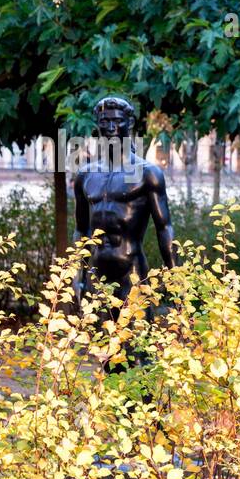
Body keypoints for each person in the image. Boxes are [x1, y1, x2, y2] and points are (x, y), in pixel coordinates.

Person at [73, 96, 175, 317]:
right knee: (98, 347)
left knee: (137, 347)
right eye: (104, 121)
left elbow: (164, 228)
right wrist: (75, 276)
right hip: (96, 272)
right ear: (97, 124)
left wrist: (177, 281)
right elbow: (81, 230)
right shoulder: (86, 175)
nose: (110, 128)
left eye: (117, 121)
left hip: (131, 269)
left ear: (129, 123)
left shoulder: (148, 174)